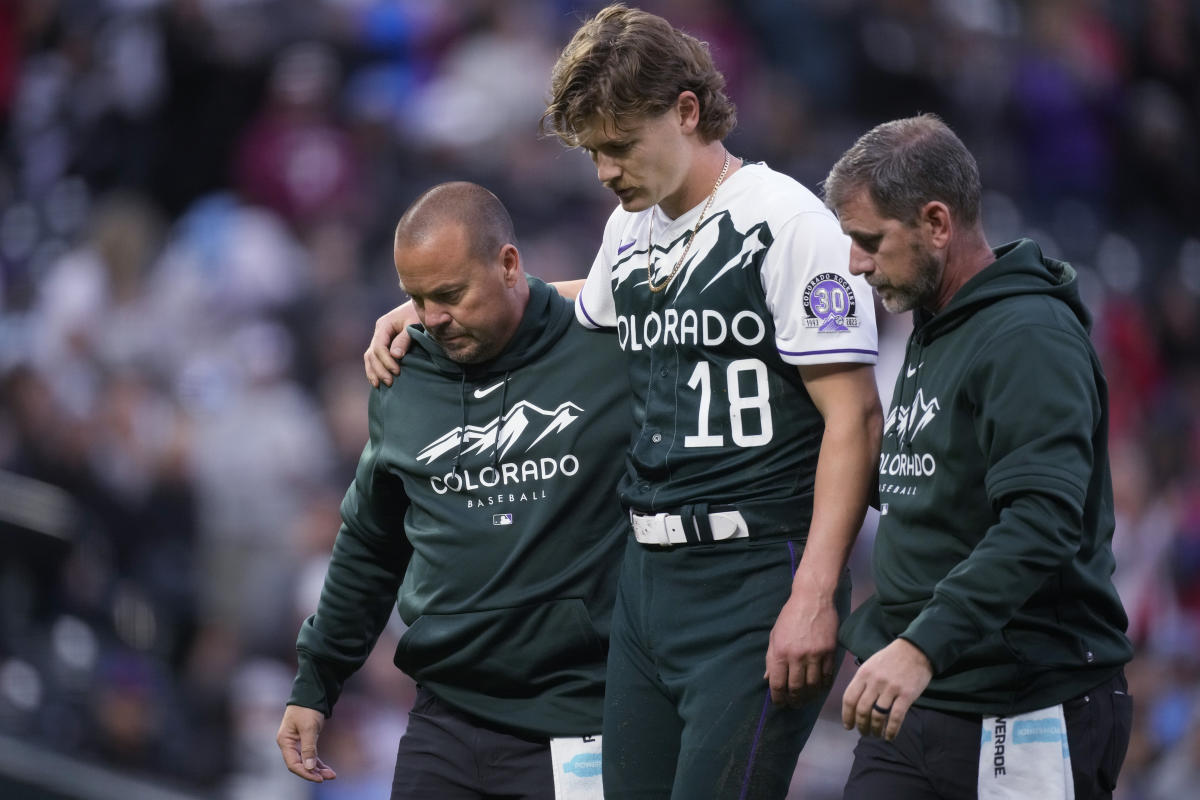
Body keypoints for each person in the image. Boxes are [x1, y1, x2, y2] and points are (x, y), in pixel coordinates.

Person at [367, 6, 882, 797]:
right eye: (592, 151)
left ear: (686, 109)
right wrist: (444, 305)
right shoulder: (632, 228)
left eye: (618, 145)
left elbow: (855, 417)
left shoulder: (791, 225)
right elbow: (585, 306)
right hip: (647, 578)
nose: (604, 170)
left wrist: (816, 592)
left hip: (751, 570)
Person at [278, 181, 631, 800]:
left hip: (583, 720)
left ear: (510, 264)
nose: (432, 317)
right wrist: (316, 682)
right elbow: (369, 545)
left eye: (449, 294)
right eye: (415, 298)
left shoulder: (606, 346)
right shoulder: (402, 373)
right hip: (445, 722)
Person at [823, 114, 1134, 799]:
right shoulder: (937, 325)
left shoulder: (1027, 334)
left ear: (937, 223)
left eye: (869, 240)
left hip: (1025, 703)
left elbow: (1042, 522)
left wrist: (923, 644)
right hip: (919, 698)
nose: (854, 263)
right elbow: (932, 485)